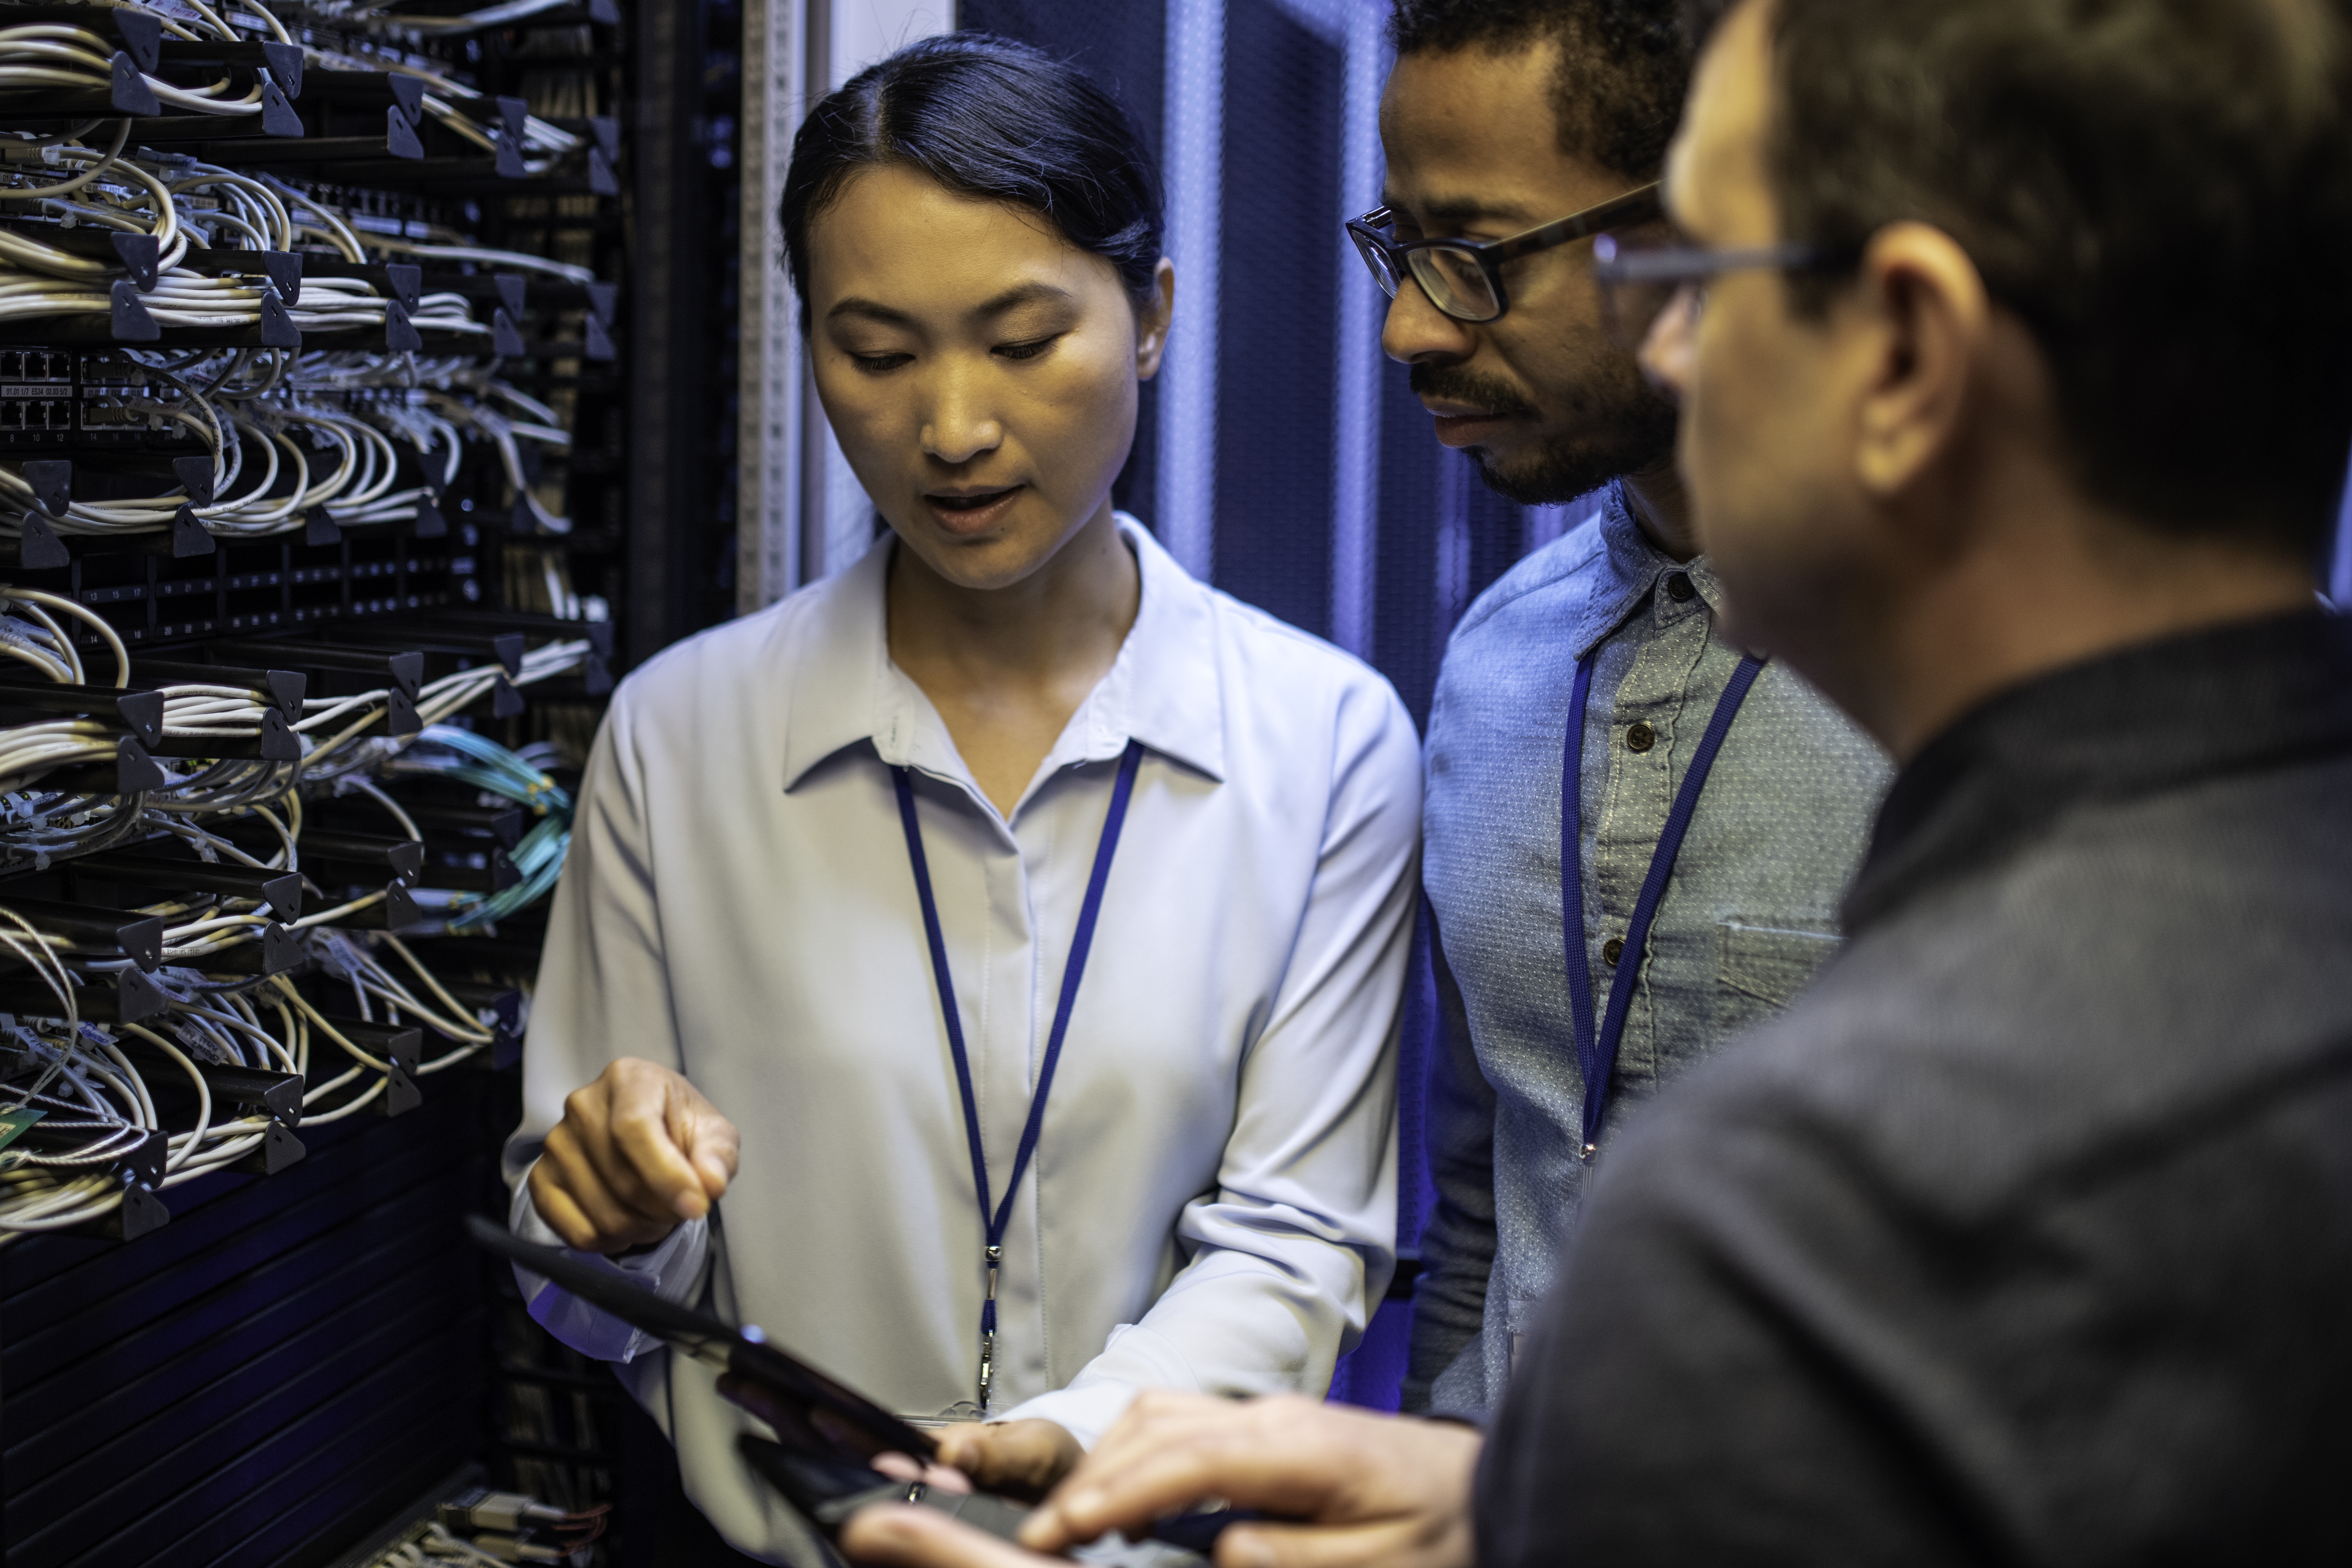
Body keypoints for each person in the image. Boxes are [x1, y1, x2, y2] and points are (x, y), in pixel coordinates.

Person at [828, 0, 2352, 1562]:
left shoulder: (1861, 1150)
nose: (1672, 341)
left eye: (1708, 272)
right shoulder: (1510, 671)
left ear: (1903, 347)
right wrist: (1490, 1507)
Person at [501, 34, 1421, 1565]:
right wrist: (609, 1211)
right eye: (876, 352)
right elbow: (581, 1283)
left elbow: (1302, 1239)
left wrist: (1077, 1435)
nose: (949, 427)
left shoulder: (1324, 745)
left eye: (1018, 338)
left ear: (1151, 318)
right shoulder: (683, 734)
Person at [1353, 0, 1888, 1413]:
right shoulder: (1495, 664)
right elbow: (1486, 1205)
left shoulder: (1982, 686)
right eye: (1399, 247)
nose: (1408, 325)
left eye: (1473, 258)